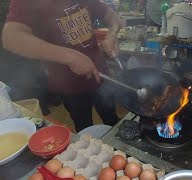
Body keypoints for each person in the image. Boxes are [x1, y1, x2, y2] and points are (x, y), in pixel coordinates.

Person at [2, 0, 123, 132]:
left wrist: (112, 34)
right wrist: (70, 57)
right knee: (85, 128)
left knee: (113, 122)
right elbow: (11, 38)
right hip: (68, 85)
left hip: (101, 75)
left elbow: (113, 17)